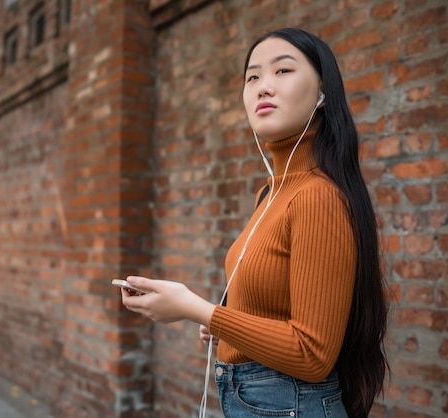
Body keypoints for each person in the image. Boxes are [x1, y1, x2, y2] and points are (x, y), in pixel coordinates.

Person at [120, 27, 389, 418]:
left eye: (282, 71)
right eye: (252, 77)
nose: (263, 87)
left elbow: (312, 354)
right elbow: (277, 310)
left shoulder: (316, 196)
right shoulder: (272, 193)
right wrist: (225, 326)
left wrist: (198, 310)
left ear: (322, 93)